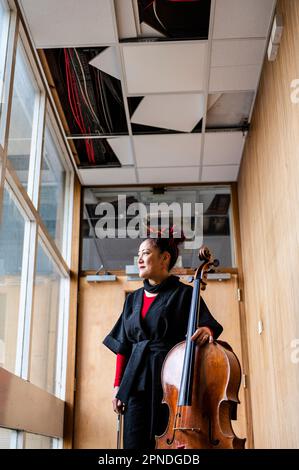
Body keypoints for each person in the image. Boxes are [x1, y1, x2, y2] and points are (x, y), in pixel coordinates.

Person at [102, 227, 223, 449]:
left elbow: (208, 326)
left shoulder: (185, 294)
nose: (139, 258)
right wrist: (118, 385)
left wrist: (207, 331)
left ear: (164, 258)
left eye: (146, 253)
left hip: (171, 385)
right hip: (135, 384)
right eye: (138, 254)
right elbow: (123, 347)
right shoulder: (132, 300)